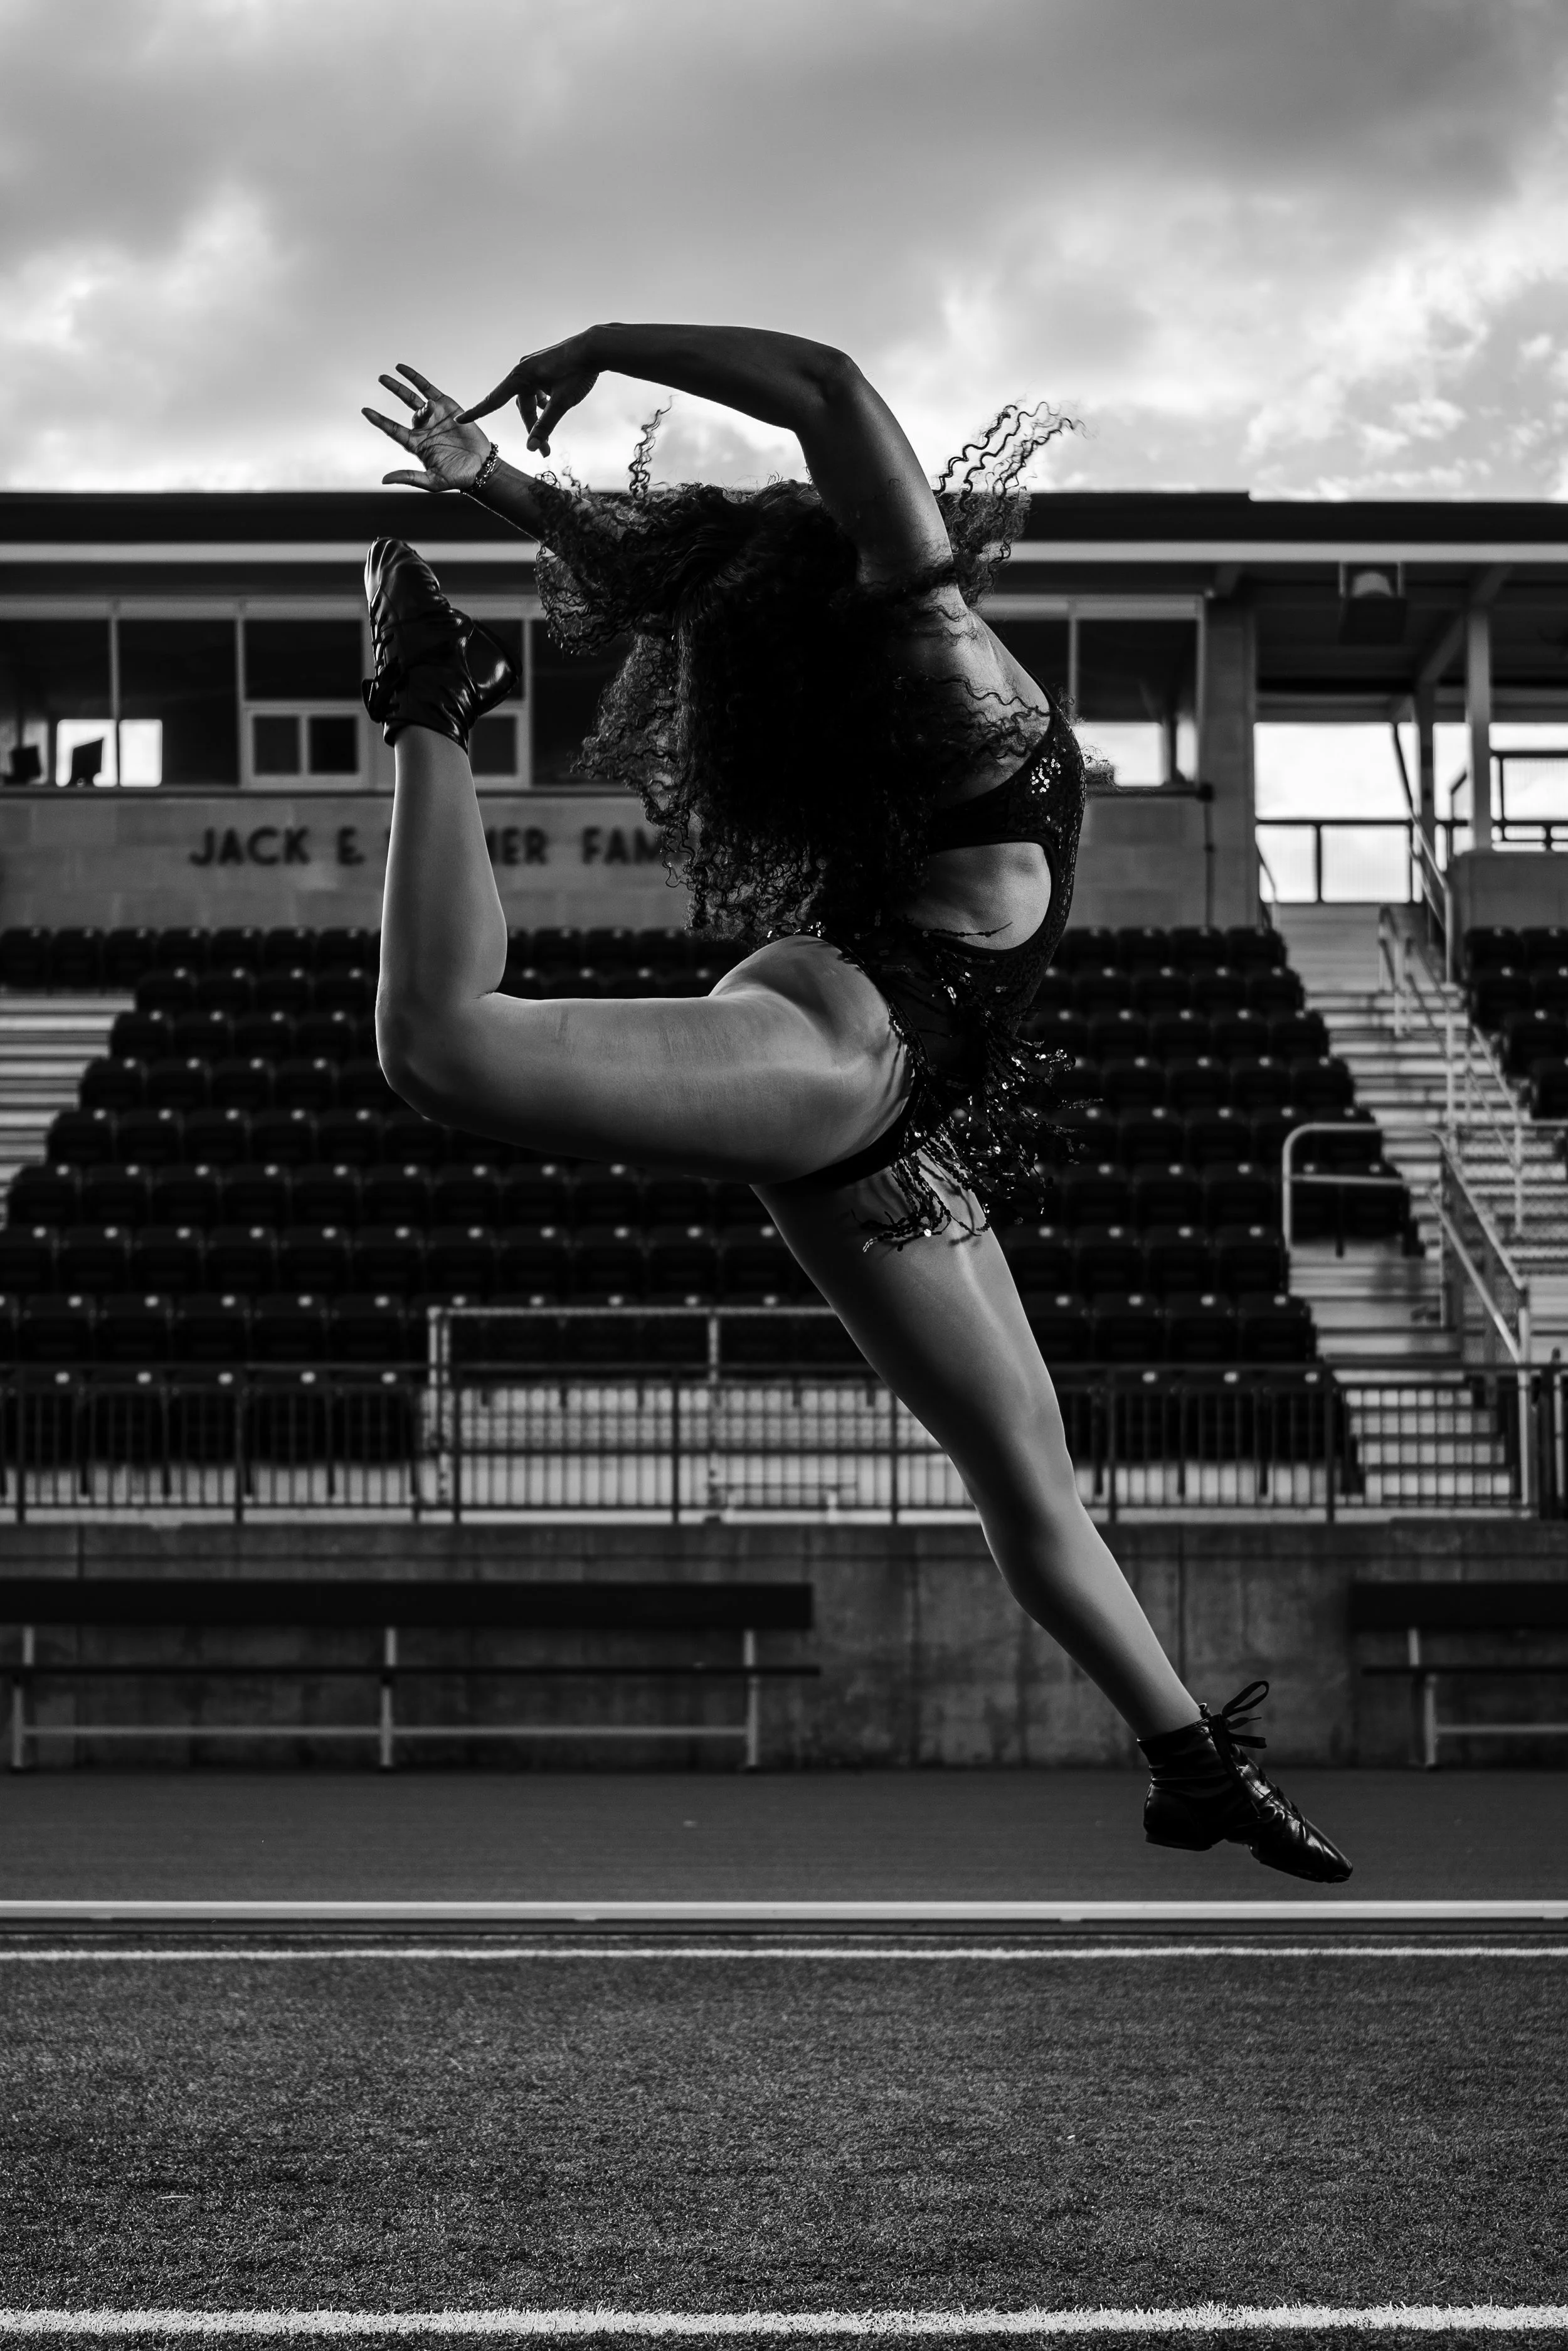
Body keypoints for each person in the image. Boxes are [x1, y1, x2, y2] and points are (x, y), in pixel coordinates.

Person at [361, 322, 1350, 1882]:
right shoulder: (926, 626)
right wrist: (598, 358)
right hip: (849, 1045)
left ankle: (1190, 1765)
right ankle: (430, 698)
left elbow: (712, 535)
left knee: (1024, 1469)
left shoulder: (908, 648)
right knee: (439, 1045)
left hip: (900, 1098)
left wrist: (504, 476)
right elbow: (826, 391)